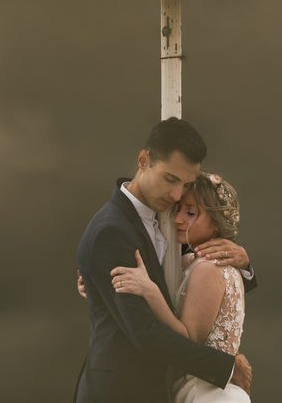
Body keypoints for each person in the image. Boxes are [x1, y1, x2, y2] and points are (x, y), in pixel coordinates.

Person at [74, 118, 254, 403]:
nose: (176, 194)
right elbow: (145, 333)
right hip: (121, 391)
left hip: (162, 390)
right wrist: (226, 366)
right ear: (143, 160)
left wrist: (243, 266)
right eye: (170, 179)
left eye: (186, 184)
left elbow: (197, 281)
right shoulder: (112, 231)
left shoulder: (170, 217)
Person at [111, 171, 250, 402]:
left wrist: (149, 290)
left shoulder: (208, 268)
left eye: (191, 213)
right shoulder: (190, 261)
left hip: (206, 392)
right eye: (178, 210)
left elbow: (188, 340)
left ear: (216, 223)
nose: (177, 219)